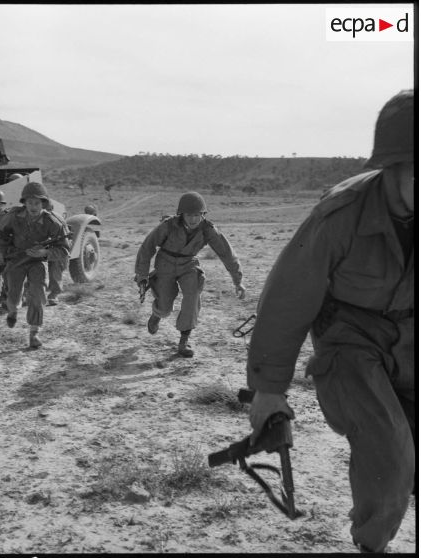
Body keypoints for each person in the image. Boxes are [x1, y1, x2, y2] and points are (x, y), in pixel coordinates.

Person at [245, 90, 414, 553]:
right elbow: (288, 299)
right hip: (350, 341)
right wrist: (269, 388)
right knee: (390, 456)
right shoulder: (342, 214)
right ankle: (372, 546)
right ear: (394, 164)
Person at [134, 191, 246, 357]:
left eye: (197, 215)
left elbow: (227, 254)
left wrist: (238, 281)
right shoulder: (168, 225)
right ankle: (157, 315)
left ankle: (183, 341)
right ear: (182, 214)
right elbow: (147, 247)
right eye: (189, 215)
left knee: (193, 295)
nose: (193, 219)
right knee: (165, 307)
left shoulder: (208, 230)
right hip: (165, 263)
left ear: (203, 214)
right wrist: (142, 274)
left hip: (188, 264)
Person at [0, 182, 71, 348]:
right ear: (24, 203)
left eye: (37, 203)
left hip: (37, 262)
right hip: (16, 260)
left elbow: (64, 250)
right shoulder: (14, 216)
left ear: (43, 203)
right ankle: (13, 311)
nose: (33, 206)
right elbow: (0, 234)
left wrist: (45, 253)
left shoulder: (53, 222)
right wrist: (1, 252)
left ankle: (34, 333)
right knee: (13, 292)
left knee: (37, 295)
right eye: (30, 202)